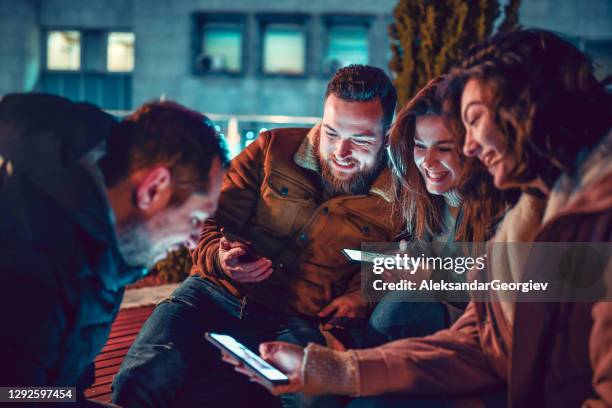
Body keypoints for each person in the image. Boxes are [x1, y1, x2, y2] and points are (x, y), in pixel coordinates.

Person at [227, 29, 612, 407]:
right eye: (420, 146)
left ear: (531, 112)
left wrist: (435, 280)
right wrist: (330, 368)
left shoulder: (587, 219)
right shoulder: (528, 216)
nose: (472, 145)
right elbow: (480, 340)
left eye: (474, 121)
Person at [111, 65, 403, 408]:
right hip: (212, 294)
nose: (341, 152)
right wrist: (221, 259)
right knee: (143, 376)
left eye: (361, 139)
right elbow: (207, 219)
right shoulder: (271, 148)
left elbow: (392, 264)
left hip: (299, 319)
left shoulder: (399, 198)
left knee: (318, 400)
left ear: (386, 136)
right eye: (332, 133)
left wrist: (361, 297)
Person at [0, 95, 227, 404]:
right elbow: (16, 396)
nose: (194, 239)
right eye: (195, 218)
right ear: (154, 188)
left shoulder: (103, 235)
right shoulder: (32, 270)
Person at [365, 77, 507, 346]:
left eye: (444, 148)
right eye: (420, 146)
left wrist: (433, 279)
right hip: (430, 326)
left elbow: (514, 292)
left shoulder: (504, 206)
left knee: (400, 309)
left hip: (478, 330)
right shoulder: (424, 198)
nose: (427, 162)